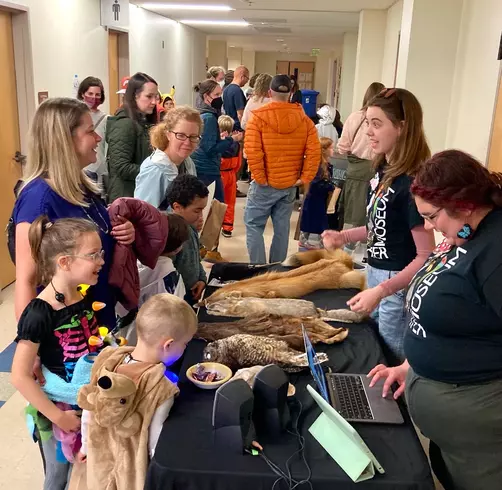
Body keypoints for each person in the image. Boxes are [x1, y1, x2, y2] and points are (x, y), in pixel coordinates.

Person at [368, 150, 502, 490]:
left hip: (483, 441)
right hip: (454, 437)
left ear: (465, 204)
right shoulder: (466, 233)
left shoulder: (495, 253)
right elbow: (455, 319)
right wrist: (411, 365)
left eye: (432, 216)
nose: (428, 226)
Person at [322, 88, 435, 364]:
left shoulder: (412, 183)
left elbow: (425, 255)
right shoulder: (383, 169)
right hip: (376, 274)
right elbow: (381, 228)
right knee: (375, 348)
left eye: (377, 124)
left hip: (396, 284)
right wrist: (344, 235)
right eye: (367, 123)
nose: (368, 132)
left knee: (390, 356)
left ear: (402, 127)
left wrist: (383, 291)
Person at [13, 97, 135, 329]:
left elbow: (92, 233)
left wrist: (121, 231)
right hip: (65, 331)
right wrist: (30, 346)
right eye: (90, 131)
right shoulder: (37, 200)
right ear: (64, 140)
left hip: (97, 315)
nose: (98, 138)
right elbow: (26, 281)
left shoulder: (83, 185)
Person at [11, 216, 105, 489]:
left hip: (83, 400)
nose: (101, 260)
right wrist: (58, 416)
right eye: (93, 255)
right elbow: (19, 376)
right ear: (64, 262)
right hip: (57, 409)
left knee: (81, 469)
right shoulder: (39, 312)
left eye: (101, 253)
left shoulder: (80, 293)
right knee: (57, 476)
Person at [76, 293, 198, 489]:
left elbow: (89, 413)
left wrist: (84, 446)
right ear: (168, 345)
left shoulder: (106, 360)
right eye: (184, 344)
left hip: (100, 460)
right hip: (130, 473)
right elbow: (155, 442)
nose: (185, 348)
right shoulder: (161, 387)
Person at [244, 74, 321, 264]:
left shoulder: (258, 118)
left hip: (265, 183)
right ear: (291, 93)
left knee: (254, 225)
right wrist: (304, 178)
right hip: (289, 184)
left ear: (270, 92)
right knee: (282, 229)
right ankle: (277, 269)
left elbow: (253, 151)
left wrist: (261, 178)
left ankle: (259, 269)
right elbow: (314, 153)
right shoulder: (305, 121)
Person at [337, 82, 385, 231]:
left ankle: (348, 249)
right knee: (373, 216)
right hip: (378, 172)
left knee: (352, 217)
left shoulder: (355, 118)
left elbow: (342, 148)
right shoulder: (385, 121)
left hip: (355, 174)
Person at [135, 106, 201, 209]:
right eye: (181, 135)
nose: (187, 142)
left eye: (193, 137)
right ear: (168, 134)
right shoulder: (154, 170)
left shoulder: (188, 163)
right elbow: (143, 217)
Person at [106, 72, 158, 202]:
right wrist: (155, 170)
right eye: (149, 96)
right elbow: (121, 166)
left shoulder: (144, 122)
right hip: (126, 195)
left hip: (140, 192)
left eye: (156, 97)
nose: (154, 102)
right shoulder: (125, 124)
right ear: (135, 96)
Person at [193, 80, 242, 202]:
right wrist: (231, 139)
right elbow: (210, 149)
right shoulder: (209, 117)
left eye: (220, 94)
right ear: (206, 96)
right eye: (216, 95)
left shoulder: (202, 114)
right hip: (207, 170)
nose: (220, 98)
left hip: (202, 167)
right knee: (215, 208)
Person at [166, 175, 209, 305]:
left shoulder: (191, 227)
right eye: (197, 210)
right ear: (177, 207)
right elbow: (168, 274)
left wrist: (202, 278)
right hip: (177, 300)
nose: (201, 216)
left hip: (192, 294)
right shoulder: (171, 235)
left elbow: (196, 258)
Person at [299, 137, 335, 250]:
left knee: (319, 221)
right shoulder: (318, 165)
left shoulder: (326, 165)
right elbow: (315, 182)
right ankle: (305, 239)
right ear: (324, 150)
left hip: (320, 199)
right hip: (314, 198)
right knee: (314, 220)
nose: (333, 150)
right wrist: (329, 186)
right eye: (331, 148)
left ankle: (319, 240)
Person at [77, 77, 108, 185]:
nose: (93, 97)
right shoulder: (74, 117)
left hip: (98, 170)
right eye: (90, 93)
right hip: (78, 168)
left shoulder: (106, 119)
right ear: (82, 94)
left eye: (97, 95)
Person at [218, 115, 241, 238]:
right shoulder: (236, 144)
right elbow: (239, 164)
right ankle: (227, 228)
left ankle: (215, 226)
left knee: (216, 202)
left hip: (219, 174)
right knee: (230, 202)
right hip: (231, 174)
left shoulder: (219, 144)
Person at [222, 65, 249, 131]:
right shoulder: (237, 91)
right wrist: (245, 128)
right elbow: (240, 114)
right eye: (247, 78)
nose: (247, 81)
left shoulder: (226, 90)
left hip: (228, 126)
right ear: (242, 77)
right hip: (237, 128)